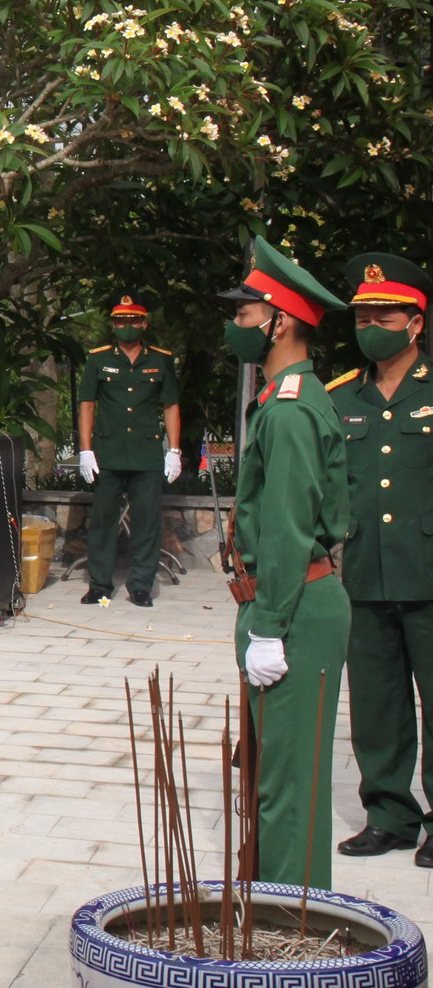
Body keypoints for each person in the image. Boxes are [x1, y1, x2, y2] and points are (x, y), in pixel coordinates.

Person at [220, 238, 350, 890]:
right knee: (275, 778)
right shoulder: (280, 399)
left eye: (246, 315)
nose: (236, 326)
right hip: (283, 603)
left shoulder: (292, 408)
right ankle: (280, 913)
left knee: (287, 789)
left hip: (294, 606)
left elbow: (288, 529)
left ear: (282, 320)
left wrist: (269, 624)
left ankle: (290, 933)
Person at [330, 254, 433, 863]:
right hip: (366, 572)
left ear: (415, 323)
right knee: (376, 703)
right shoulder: (345, 398)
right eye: (363, 315)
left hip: (428, 572)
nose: (371, 325)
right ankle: (390, 814)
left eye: (384, 314)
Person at [75, 290, 182, 607]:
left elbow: (171, 406)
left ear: (144, 324)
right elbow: (87, 406)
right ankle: (99, 585)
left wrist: (174, 450)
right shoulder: (99, 359)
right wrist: (85, 449)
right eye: (120, 321)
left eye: (133, 320)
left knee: (147, 523)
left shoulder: (161, 359)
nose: (127, 326)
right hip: (107, 452)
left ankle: (140, 587)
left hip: (146, 452)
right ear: (112, 325)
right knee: (103, 522)